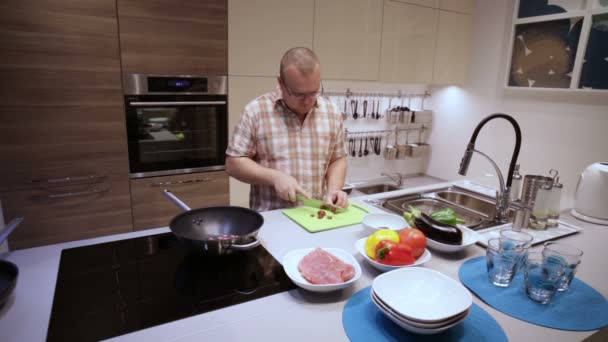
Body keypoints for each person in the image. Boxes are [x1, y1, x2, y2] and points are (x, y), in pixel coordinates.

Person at [225, 47, 348, 212]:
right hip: (273, 222)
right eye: (298, 94)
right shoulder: (256, 111)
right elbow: (233, 164)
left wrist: (334, 189)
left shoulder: (332, 112)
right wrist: (275, 177)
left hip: (317, 218)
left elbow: (338, 158)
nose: (307, 101)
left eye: (313, 92)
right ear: (281, 83)